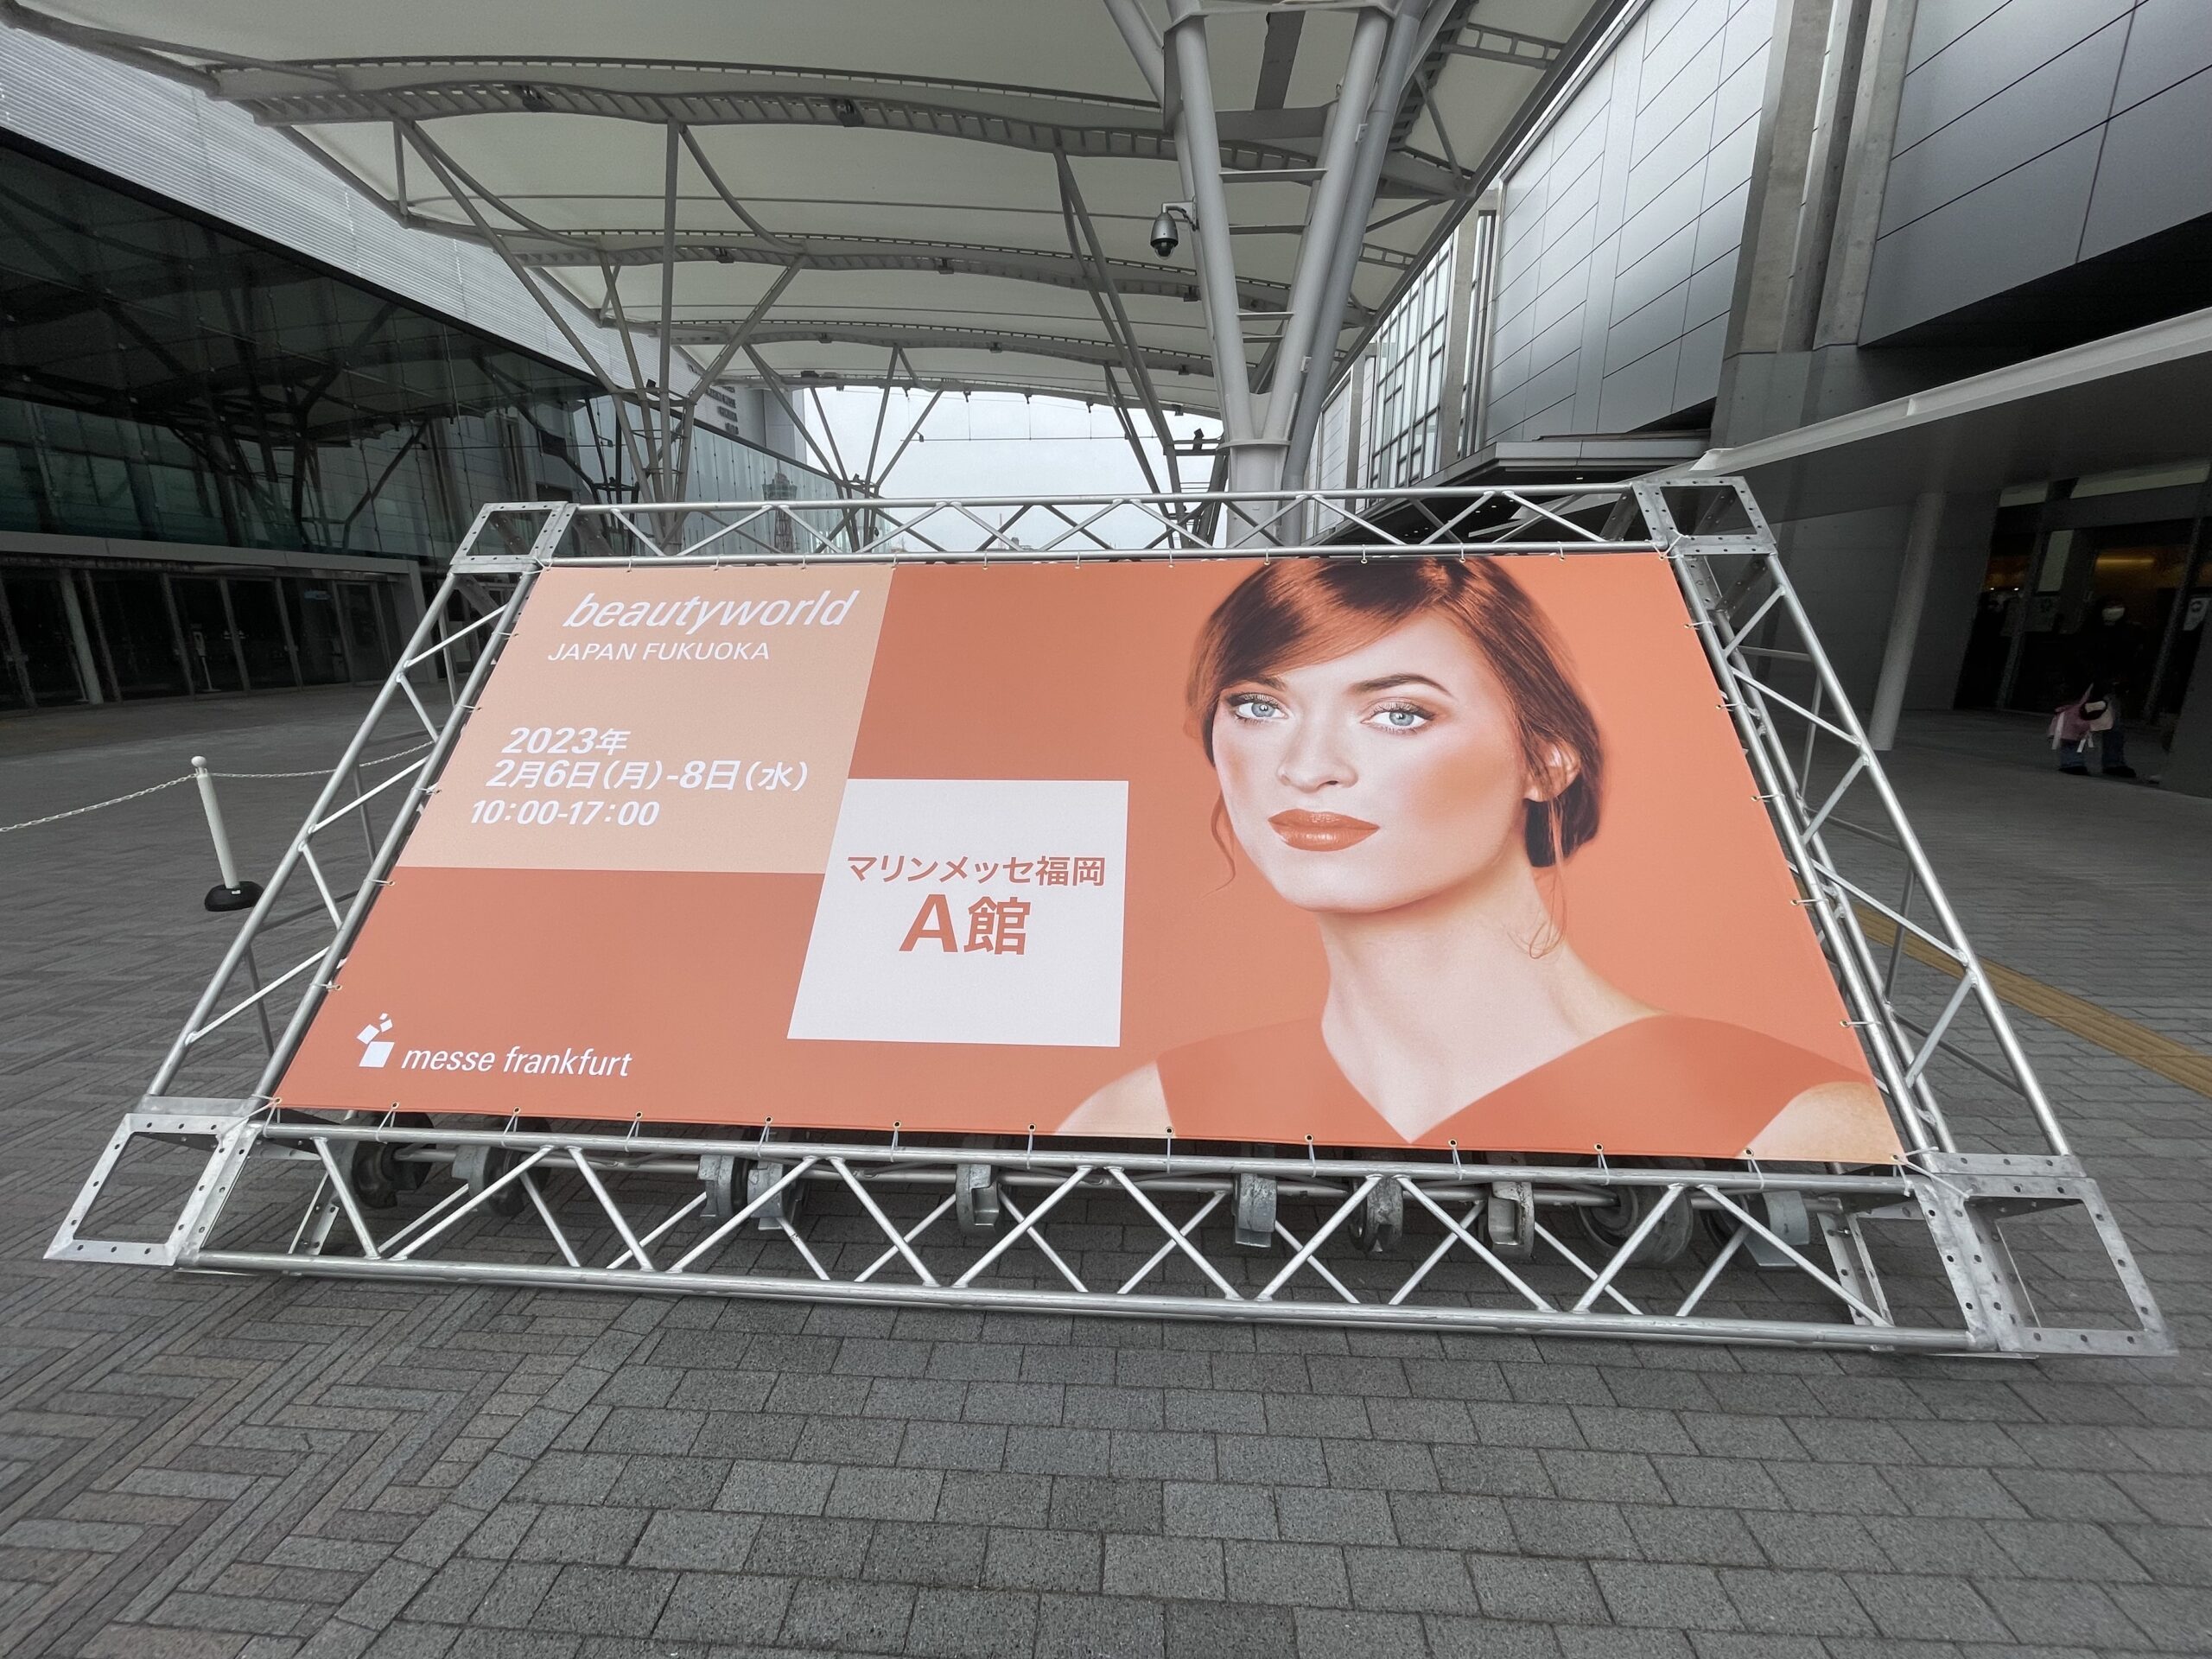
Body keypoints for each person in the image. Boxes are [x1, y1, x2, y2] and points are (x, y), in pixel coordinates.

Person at [1060, 556, 1892, 1161]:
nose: (1307, 767)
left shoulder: (1789, 1120)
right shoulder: (1149, 1106)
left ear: (1546, 760)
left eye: (1400, 714)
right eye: (1257, 706)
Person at [2053, 600, 2145, 778]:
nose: (2115, 610)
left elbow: (2129, 661)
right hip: (2083, 685)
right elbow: (2076, 659)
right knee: (2078, 723)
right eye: (2110, 607)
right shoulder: (2088, 635)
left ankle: (2111, 762)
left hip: (2106, 685)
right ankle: (2075, 761)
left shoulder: (2124, 634)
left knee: (2111, 726)